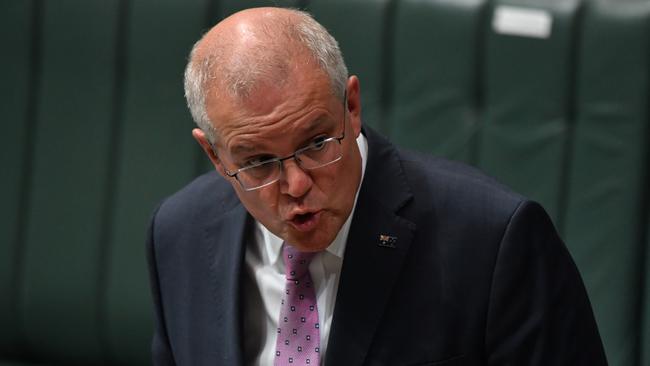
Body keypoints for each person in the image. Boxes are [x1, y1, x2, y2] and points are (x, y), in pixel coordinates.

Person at [146, 7, 607, 366]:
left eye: (316, 142)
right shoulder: (179, 233)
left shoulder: (493, 242)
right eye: (259, 162)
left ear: (351, 104)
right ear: (214, 154)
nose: (297, 183)